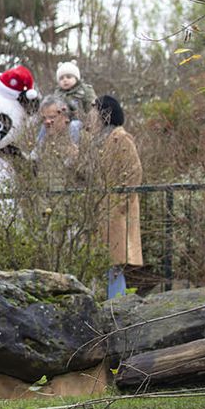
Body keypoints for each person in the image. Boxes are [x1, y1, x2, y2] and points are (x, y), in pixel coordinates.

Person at [77, 94, 143, 298]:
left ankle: (117, 304)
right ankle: (111, 302)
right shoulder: (94, 140)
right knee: (102, 260)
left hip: (115, 209)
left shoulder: (120, 137)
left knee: (113, 261)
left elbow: (134, 171)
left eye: (94, 111)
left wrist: (122, 202)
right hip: (100, 206)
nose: (90, 115)